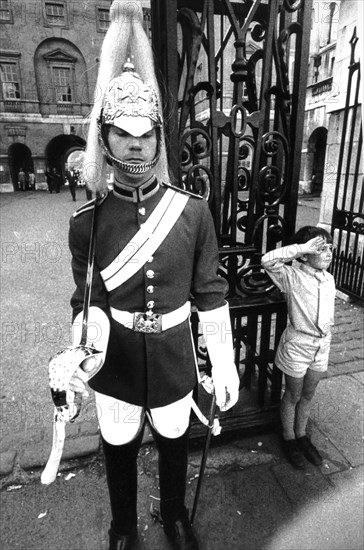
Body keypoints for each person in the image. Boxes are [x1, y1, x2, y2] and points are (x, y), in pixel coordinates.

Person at [67, 2, 240, 550]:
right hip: (115, 354)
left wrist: (226, 361)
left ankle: (174, 517)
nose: (136, 143)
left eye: (146, 133)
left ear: (159, 136)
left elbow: (210, 296)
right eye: (123, 133)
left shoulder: (192, 212)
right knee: (117, 445)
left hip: (172, 352)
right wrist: (80, 346)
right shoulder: (86, 223)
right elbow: (87, 298)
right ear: (106, 136)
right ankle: (122, 526)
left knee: (172, 441)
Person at [261, 226, 336, 470]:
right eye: (320, 248)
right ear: (304, 254)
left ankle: (302, 435)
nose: (328, 253)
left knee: (308, 394)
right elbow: (266, 260)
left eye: (329, 248)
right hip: (298, 345)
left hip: (321, 345)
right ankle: (289, 438)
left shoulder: (328, 278)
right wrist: (302, 248)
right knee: (293, 394)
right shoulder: (291, 276)